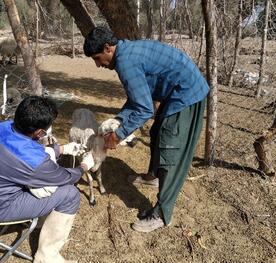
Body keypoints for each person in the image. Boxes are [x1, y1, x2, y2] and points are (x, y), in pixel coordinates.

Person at [84, 27, 209, 233]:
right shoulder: (125, 52)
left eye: (97, 58)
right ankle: (154, 177)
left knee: (170, 148)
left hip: (187, 95)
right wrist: (118, 120)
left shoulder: (125, 62)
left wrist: (118, 135)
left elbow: (143, 110)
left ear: (108, 48)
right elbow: (138, 99)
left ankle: (162, 214)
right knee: (157, 132)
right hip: (175, 92)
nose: (98, 65)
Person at [0, 96, 95, 263]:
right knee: (70, 194)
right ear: (40, 132)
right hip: (1, 207)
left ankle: (41, 223)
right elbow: (65, 177)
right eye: (46, 130)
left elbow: (28, 148)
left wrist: (61, 149)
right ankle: (47, 256)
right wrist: (84, 165)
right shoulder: (35, 163)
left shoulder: (1, 128)